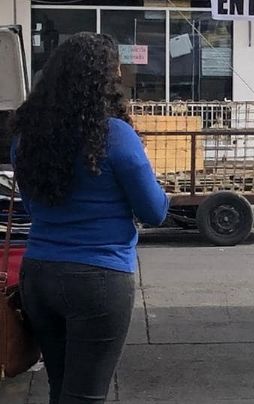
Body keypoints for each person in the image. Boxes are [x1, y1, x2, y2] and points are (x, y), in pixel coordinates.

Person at [11, 32, 169, 404]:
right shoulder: (115, 135)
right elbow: (154, 210)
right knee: (85, 396)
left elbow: (33, 208)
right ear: (105, 78)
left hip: (39, 275)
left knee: (61, 387)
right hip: (99, 279)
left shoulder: (26, 136)